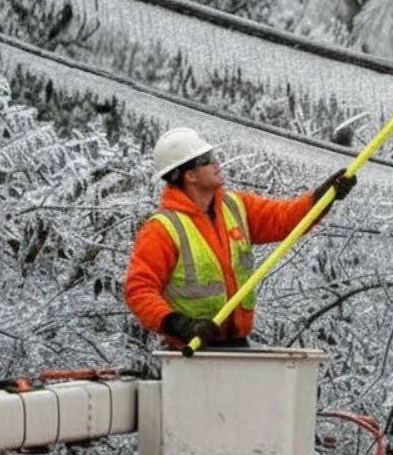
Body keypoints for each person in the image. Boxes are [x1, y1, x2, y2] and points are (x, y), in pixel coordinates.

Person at [124, 127, 356, 349]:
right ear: (190, 175)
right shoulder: (162, 230)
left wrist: (323, 197)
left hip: (236, 346)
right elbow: (140, 289)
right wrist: (178, 324)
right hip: (189, 353)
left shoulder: (236, 207)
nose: (216, 162)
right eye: (205, 159)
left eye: (212, 155)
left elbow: (284, 218)